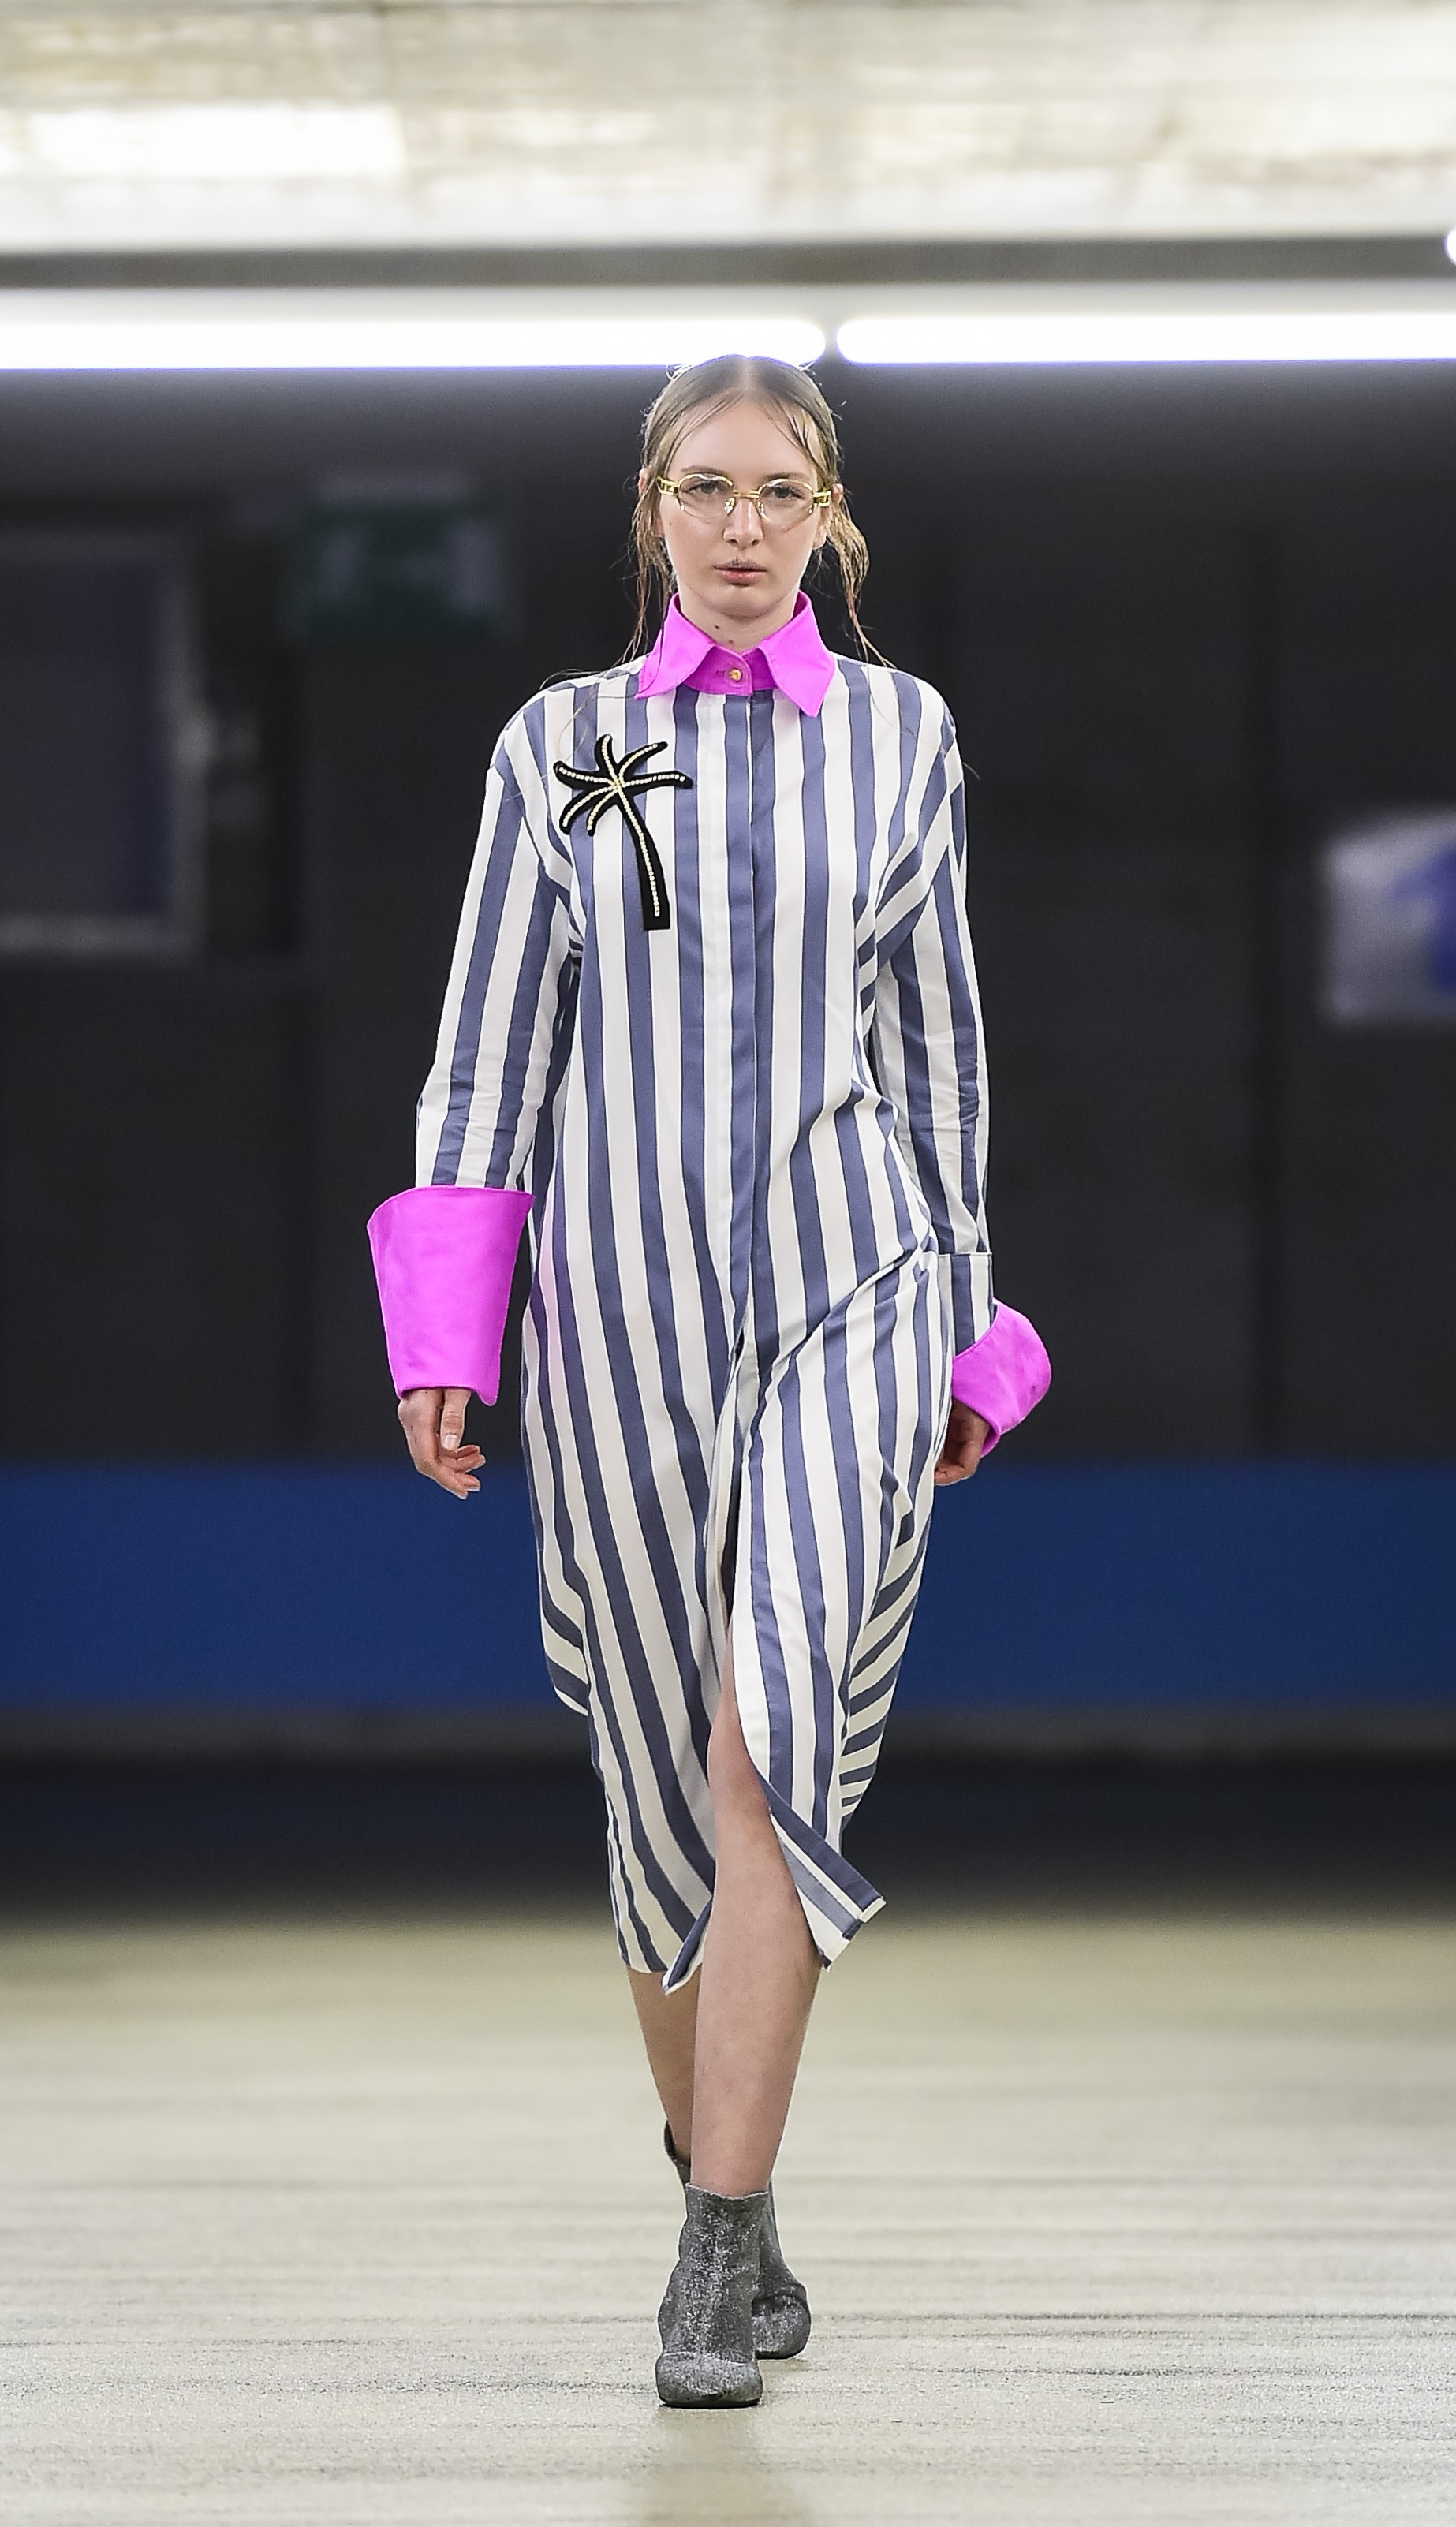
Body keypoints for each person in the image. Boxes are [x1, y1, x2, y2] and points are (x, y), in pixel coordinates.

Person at [368, 353, 1049, 2409]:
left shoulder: (906, 739)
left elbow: (939, 1056)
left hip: (859, 1281)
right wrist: (447, 1326)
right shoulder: (564, 746)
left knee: (772, 1744)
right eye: (704, 491)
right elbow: (490, 1049)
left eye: (779, 493)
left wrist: (968, 1315)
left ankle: (713, 2241)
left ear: (831, 519)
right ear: (653, 511)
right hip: (618, 1311)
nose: (742, 528)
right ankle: (719, 2175)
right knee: (662, 1796)